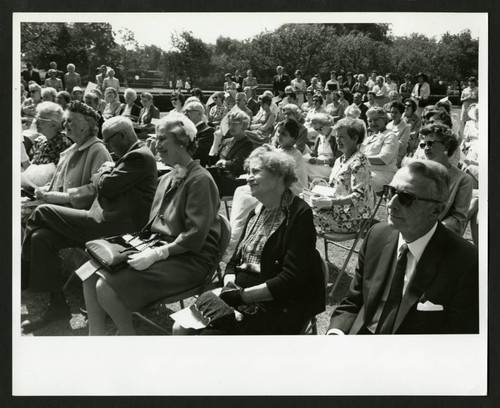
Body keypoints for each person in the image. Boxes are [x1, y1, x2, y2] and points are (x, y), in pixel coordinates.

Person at [82, 114, 222, 335]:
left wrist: (158, 254)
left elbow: (195, 235)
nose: (156, 144)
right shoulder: (167, 177)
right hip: (157, 247)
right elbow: (155, 222)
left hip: (188, 258)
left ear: (183, 141)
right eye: (156, 138)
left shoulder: (200, 179)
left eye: (162, 138)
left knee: (105, 287)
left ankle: (128, 339)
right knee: (88, 272)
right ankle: (96, 337)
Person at [21, 116, 158, 331]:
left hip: (115, 227)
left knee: (42, 211)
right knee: (42, 238)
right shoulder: (130, 155)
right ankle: (57, 305)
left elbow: (107, 187)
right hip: (104, 219)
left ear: (121, 136)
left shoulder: (138, 156)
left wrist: (102, 173)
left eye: (109, 140)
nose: (108, 146)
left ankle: (23, 272)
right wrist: (105, 174)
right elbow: (107, 184)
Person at [173, 145, 325, 335]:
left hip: (279, 304)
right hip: (240, 297)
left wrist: (241, 297)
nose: (249, 177)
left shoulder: (299, 213)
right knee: (180, 327)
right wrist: (230, 287)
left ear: (278, 175)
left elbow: (291, 279)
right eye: (248, 172)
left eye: (255, 171)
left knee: (207, 338)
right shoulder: (257, 211)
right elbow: (233, 263)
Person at [327, 159, 478, 334]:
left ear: (436, 210)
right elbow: (353, 301)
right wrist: (335, 335)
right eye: (390, 192)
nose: (391, 203)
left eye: (406, 198)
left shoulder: (466, 262)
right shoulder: (376, 236)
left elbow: (458, 340)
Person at [33, 101, 112, 210]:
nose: (64, 124)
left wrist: (64, 197)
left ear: (84, 126)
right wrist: (46, 189)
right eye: (65, 121)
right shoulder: (72, 149)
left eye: (69, 121)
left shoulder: (97, 150)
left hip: (81, 218)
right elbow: (61, 182)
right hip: (62, 211)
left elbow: (99, 190)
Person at [310, 117, 374, 233]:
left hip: (352, 219)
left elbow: (359, 196)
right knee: (300, 208)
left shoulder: (360, 162)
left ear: (355, 139)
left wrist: (331, 202)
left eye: (342, 137)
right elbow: (336, 189)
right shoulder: (340, 160)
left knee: (303, 216)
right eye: (337, 136)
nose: (338, 140)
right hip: (336, 211)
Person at [419, 124, 473, 235]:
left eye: (430, 143)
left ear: (446, 146)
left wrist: (432, 233)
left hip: (439, 235)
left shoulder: (463, 180)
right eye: (423, 144)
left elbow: (458, 218)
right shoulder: (415, 171)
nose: (426, 148)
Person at [22, 102, 73, 188]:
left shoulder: (64, 145)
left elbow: (59, 179)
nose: (36, 123)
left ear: (54, 124)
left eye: (40, 120)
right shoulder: (40, 141)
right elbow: (33, 172)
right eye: (36, 118)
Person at [209, 110, 254, 197]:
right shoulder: (226, 141)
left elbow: (237, 164)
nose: (231, 127)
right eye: (229, 124)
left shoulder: (247, 143)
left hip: (235, 181)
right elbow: (212, 162)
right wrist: (216, 142)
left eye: (234, 124)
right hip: (221, 179)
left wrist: (224, 163)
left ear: (244, 126)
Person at [360, 107, 398, 193]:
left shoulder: (390, 136)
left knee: (358, 179)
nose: (372, 123)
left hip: (382, 173)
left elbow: (383, 159)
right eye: (370, 121)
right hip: (365, 171)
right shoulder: (369, 138)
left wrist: (360, 158)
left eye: (376, 120)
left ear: (384, 120)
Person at [304, 113, 341, 182]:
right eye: (316, 129)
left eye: (320, 128)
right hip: (319, 164)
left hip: (330, 167)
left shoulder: (335, 136)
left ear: (328, 124)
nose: (318, 131)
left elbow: (340, 158)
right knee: (301, 162)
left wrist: (322, 162)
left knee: (304, 168)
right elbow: (315, 153)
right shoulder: (320, 136)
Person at [275, 119, 308, 195]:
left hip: (290, 193)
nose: (279, 136)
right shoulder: (277, 150)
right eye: (278, 132)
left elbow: (292, 182)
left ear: (293, 138)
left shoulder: (295, 155)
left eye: (284, 134)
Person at [184, 100, 215, 167]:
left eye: (189, 111)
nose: (185, 114)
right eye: (184, 111)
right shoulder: (184, 130)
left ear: (200, 114)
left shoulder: (207, 131)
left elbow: (197, 154)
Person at [386, 102, 411, 167]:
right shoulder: (388, 125)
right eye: (392, 112)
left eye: (396, 112)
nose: (393, 114)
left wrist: (388, 144)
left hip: (398, 157)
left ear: (401, 113)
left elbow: (402, 143)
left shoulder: (406, 127)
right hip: (387, 153)